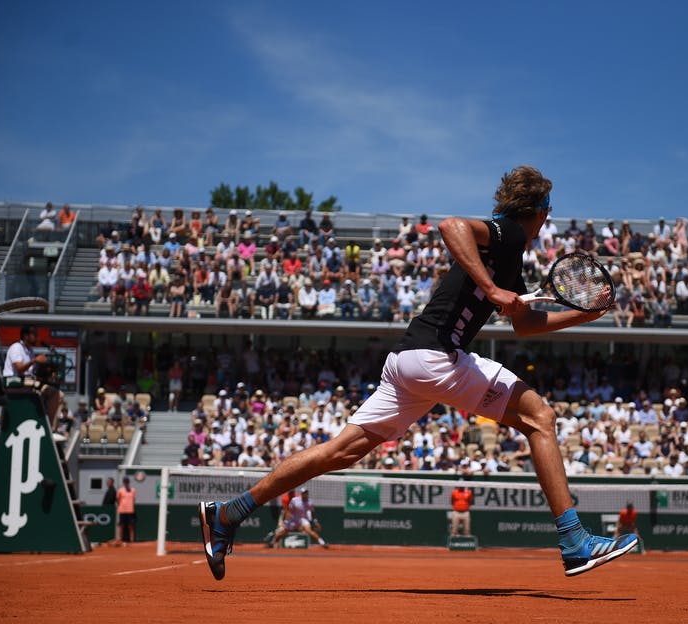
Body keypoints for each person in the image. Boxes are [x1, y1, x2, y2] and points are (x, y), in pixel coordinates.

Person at [197, 165, 639, 580]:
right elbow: (451, 227)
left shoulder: (510, 255)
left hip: (409, 363)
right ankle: (574, 540)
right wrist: (490, 288)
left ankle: (229, 512)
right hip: (437, 358)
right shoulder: (504, 233)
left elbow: (525, 324)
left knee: (339, 452)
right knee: (540, 418)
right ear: (540, 214)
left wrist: (583, 315)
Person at [116, 476, 137, 544]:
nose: (126, 483)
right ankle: (120, 538)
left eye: (127, 482)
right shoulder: (120, 490)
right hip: (122, 510)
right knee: (121, 524)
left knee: (131, 525)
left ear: (129, 482)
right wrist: (122, 506)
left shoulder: (133, 490)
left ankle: (132, 539)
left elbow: (133, 500)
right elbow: (118, 500)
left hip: (130, 510)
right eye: (125, 482)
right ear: (123, 482)